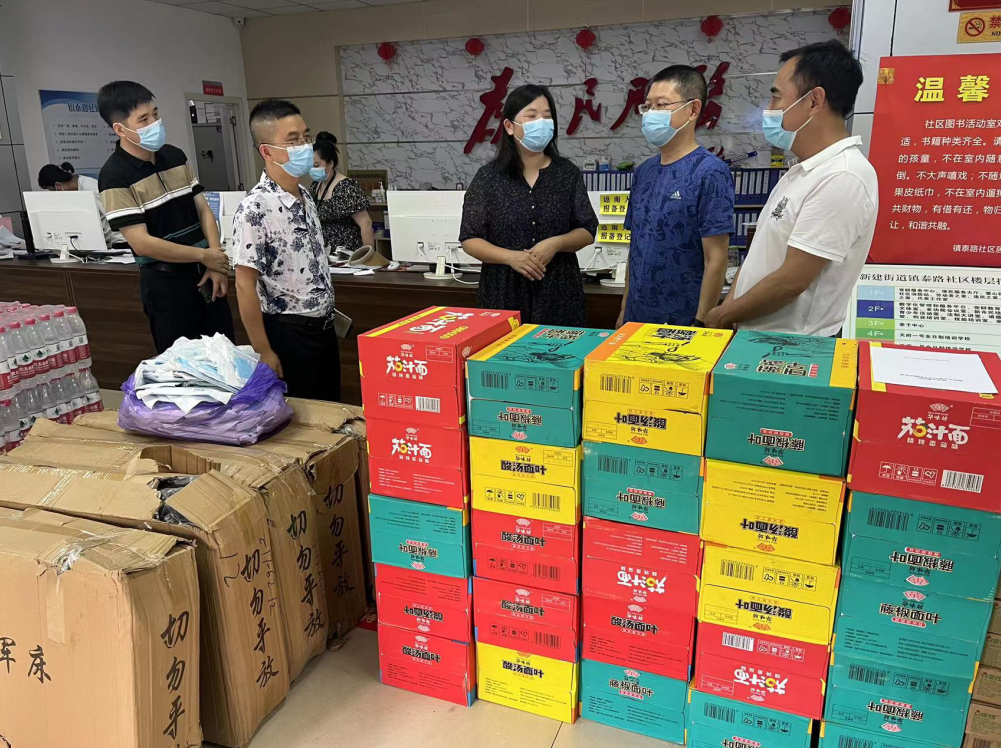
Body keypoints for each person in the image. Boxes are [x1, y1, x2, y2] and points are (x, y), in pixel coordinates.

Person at [704, 41, 877, 337]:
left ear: (814, 101)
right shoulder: (802, 170)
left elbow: (792, 280)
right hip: (752, 334)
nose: (769, 109)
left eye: (776, 97)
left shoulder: (843, 175)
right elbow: (760, 256)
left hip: (793, 346)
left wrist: (721, 315)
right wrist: (730, 312)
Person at [96, 80, 233, 353]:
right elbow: (141, 243)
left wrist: (215, 261)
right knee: (183, 366)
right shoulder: (114, 175)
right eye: (143, 119)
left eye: (155, 114)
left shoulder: (174, 155)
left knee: (226, 355)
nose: (154, 123)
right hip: (166, 285)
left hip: (207, 275)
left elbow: (203, 209)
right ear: (120, 129)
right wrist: (204, 256)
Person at [460, 84, 598, 326]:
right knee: (502, 350)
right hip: (502, 291)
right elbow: (470, 238)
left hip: (559, 291)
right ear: (509, 126)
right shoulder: (488, 177)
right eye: (532, 116)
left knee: (558, 348)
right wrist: (511, 257)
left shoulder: (567, 173)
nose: (541, 123)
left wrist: (556, 243)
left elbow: (587, 229)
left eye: (547, 116)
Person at [232, 99, 339, 401]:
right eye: (292, 141)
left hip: (324, 327)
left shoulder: (305, 194)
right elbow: (244, 285)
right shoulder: (255, 208)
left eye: (305, 136)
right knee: (302, 415)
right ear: (267, 151)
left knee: (331, 409)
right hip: (289, 333)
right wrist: (263, 350)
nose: (304, 146)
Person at [617, 65, 734, 328]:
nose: (651, 114)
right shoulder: (644, 171)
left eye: (661, 105)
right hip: (636, 318)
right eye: (647, 106)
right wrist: (624, 308)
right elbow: (635, 248)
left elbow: (716, 259)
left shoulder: (710, 171)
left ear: (693, 109)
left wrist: (701, 322)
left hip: (683, 320)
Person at [310, 131, 373, 253]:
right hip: (324, 253)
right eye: (310, 166)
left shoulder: (346, 186)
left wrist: (367, 256)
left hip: (348, 253)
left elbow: (366, 223)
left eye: (316, 165)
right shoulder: (315, 185)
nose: (312, 169)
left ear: (330, 163)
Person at [37, 164, 125, 247]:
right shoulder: (75, 190)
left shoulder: (92, 189)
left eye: (51, 190)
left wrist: (120, 244)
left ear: (58, 186)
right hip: (102, 242)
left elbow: (117, 218)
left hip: (120, 241)